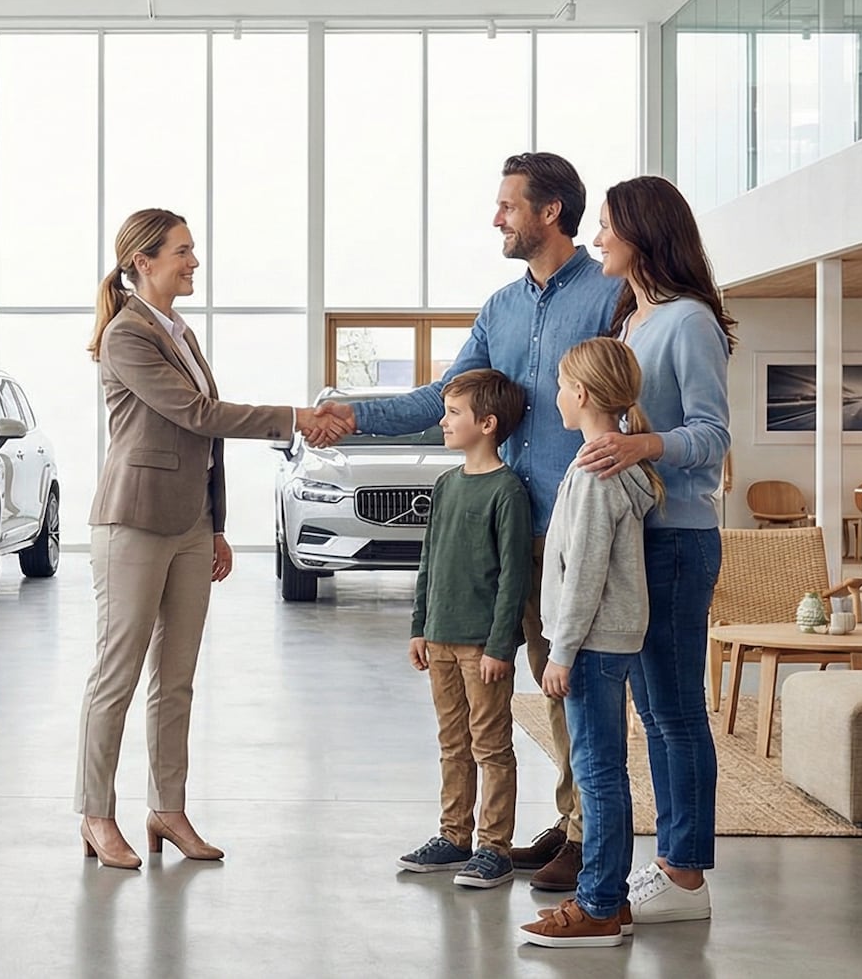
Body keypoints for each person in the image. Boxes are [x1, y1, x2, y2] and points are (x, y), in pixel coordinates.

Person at [346, 152, 624, 893]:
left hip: (574, 529)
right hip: (511, 528)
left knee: (574, 686)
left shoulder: (610, 294)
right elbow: (444, 396)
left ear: (550, 212)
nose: (495, 217)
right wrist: (352, 414)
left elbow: (634, 400)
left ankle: (585, 833)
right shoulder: (499, 308)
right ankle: (564, 821)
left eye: (507, 205)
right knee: (540, 675)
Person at [74, 208, 352, 869]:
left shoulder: (180, 331)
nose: (193, 262)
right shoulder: (127, 334)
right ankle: (94, 812)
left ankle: (168, 809)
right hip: (134, 520)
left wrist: (217, 524)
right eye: (182, 251)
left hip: (190, 525)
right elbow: (198, 413)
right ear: (143, 260)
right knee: (116, 676)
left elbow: (201, 441)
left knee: (178, 679)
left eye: (192, 251)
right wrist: (296, 418)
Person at [571, 175, 737, 923]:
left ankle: (686, 876)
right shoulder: (630, 321)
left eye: (607, 225)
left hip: (679, 541)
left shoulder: (689, 320)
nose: (597, 237)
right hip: (640, 542)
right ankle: (672, 862)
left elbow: (713, 436)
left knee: (675, 711)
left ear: (643, 230)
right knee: (654, 708)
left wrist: (639, 443)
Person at [518, 338, 662, 949]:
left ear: (580, 394)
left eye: (559, 384)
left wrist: (563, 650)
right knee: (601, 769)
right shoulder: (611, 467)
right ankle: (612, 900)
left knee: (597, 772)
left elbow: (585, 573)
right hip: (605, 639)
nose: (554, 396)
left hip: (593, 643)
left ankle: (600, 903)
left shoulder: (596, 474)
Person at [395, 369, 534, 890]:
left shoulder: (507, 491)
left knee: (490, 746)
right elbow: (428, 562)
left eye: (454, 413)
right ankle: (453, 837)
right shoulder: (447, 484)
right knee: (452, 742)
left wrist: (501, 646)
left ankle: (493, 847)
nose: (444, 420)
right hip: (440, 640)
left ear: (488, 423)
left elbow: (514, 577)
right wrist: (419, 627)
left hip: (483, 649)